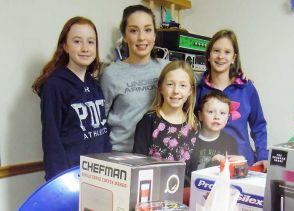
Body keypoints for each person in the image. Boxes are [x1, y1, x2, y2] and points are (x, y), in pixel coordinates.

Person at [32, 16, 111, 181]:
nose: (85, 48)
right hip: (71, 177)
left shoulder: (95, 85)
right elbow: (51, 138)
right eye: (77, 41)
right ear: (65, 46)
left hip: (99, 175)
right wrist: (59, 182)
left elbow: (103, 133)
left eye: (91, 42)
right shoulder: (55, 85)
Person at [196, 29, 268, 170]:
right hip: (208, 164)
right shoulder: (198, 88)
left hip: (242, 162)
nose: (221, 56)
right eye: (216, 51)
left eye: (227, 52)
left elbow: (258, 126)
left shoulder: (247, 88)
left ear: (234, 58)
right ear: (208, 56)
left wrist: (263, 156)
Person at [100, 4, 168, 152]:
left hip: (157, 155)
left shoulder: (167, 70)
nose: (142, 37)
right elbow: (100, 121)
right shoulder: (111, 74)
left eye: (148, 30)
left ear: (154, 35)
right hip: (120, 156)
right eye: (133, 31)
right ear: (124, 36)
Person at [133, 61, 198, 185]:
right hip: (152, 189)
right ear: (160, 88)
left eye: (183, 85)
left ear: (190, 90)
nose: (176, 91)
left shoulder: (194, 124)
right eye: (170, 84)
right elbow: (138, 164)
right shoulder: (149, 120)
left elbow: (193, 168)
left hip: (181, 193)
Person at [192, 92, 242, 170]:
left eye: (222, 113)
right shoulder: (190, 140)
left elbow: (233, 172)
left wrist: (239, 163)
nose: (217, 117)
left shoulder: (231, 142)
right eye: (211, 112)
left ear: (227, 118)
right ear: (200, 115)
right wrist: (212, 162)